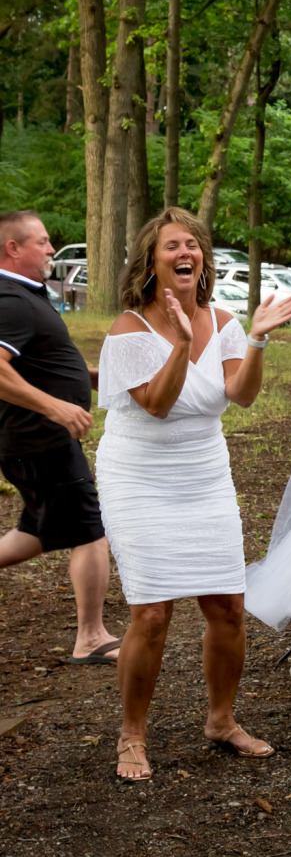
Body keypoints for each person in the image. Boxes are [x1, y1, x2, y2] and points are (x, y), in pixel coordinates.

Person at [95, 208, 291, 781]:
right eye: (171, 246)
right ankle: (131, 735)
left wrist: (255, 338)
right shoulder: (129, 329)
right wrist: (181, 343)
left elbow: (242, 396)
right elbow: (157, 404)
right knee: (153, 613)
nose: (185, 253)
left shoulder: (225, 321)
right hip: (138, 476)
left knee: (227, 607)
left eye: (193, 245)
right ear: (151, 261)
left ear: (202, 260)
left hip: (204, 475)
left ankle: (221, 720)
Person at [0, 210, 121, 664]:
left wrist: (83, 378)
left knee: (34, 529)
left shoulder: (25, 296)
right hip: (39, 438)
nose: (52, 250)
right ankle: (90, 636)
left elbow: (37, 362)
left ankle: (91, 633)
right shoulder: (10, 299)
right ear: (14, 248)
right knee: (92, 532)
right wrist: (54, 405)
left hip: (36, 439)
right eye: (44, 242)